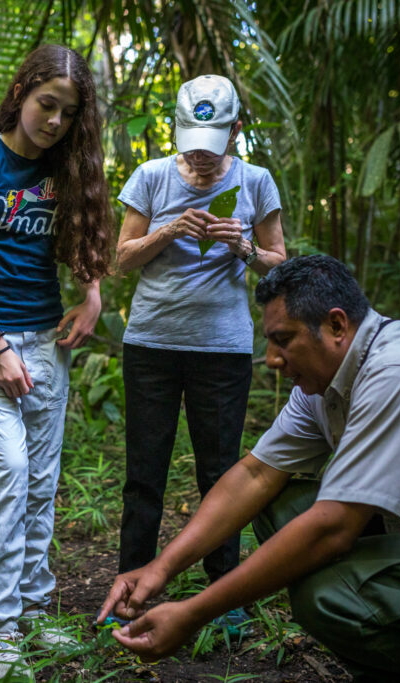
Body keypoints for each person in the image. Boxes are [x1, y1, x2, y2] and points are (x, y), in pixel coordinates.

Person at [98, 254, 400, 681]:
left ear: (337, 326)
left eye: (283, 340)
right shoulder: (324, 382)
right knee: (280, 505)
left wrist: (194, 613)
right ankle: (396, 644)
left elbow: (332, 528)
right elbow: (254, 475)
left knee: (325, 595)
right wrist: (160, 569)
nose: (271, 358)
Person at [0, 44, 113, 680]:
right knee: (10, 471)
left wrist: (92, 295)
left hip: (46, 340)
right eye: (47, 105)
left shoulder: (66, 167)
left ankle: (35, 607)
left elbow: (84, 245)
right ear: (22, 93)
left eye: (68, 113)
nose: (54, 122)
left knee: (40, 479)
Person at [113, 74, 285, 633]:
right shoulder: (151, 176)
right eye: (192, 144)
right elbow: (121, 258)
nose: (202, 159)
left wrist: (243, 246)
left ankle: (225, 596)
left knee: (220, 474)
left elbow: (281, 262)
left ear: (236, 130)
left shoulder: (257, 180)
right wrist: (167, 232)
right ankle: (130, 587)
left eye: (213, 146)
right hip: (151, 346)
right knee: (145, 474)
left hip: (222, 349)